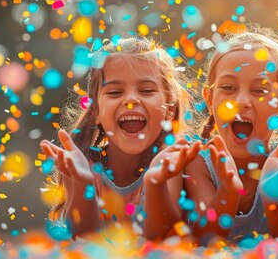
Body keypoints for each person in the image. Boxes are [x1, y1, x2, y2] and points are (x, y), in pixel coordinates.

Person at [143, 25, 278, 244]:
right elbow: (206, 241)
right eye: (229, 88)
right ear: (210, 100)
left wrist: (273, 194)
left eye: (259, 90)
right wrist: (229, 191)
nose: (241, 101)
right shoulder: (195, 161)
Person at [40, 37, 186, 238]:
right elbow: (83, 238)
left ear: (169, 107)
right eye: (115, 92)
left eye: (146, 90)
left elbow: (164, 238)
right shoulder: (81, 164)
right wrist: (83, 182)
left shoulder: (174, 161)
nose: (131, 100)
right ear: (97, 111)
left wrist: (156, 184)